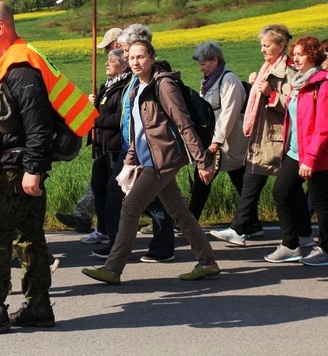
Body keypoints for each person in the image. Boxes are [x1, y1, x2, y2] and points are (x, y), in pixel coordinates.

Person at [0, 1, 97, 336]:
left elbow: (38, 125)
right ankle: (38, 307)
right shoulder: (2, 63)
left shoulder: (20, 69)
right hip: (15, 167)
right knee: (28, 238)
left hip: (15, 171)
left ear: (0, 28)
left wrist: (34, 168)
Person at [82, 40, 220, 285]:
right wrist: (129, 161)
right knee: (180, 212)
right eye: (132, 58)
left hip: (162, 160)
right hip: (147, 159)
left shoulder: (163, 85)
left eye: (141, 57)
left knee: (130, 208)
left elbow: (184, 124)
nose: (136, 62)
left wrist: (201, 162)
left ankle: (113, 269)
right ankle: (207, 261)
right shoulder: (137, 88)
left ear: (152, 57)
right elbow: (139, 129)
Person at [210, 25, 306, 247]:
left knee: (261, 182)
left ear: (281, 46)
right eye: (261, 45)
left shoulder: (288, 71)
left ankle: (239, 228)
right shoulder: (267, 67)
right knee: (273, 184)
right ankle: (303, 232)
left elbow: (294, 105)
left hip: (275, 137)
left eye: (267, 45)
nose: (262, 49)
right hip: (263, 135)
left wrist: (269, 93)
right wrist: (252, 86)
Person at [94, 24, 176, 263]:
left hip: (150, 149)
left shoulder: (156, 78)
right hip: (132, 147)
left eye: (128, 49)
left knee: (155, 199)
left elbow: (176, 118)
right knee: (121, 194)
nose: (125, 55)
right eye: (126, 52)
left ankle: (161, 248)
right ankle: (119, 246)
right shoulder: (134, 79)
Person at [264, 36, 328, 263]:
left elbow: (325, 126)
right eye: (294, 54)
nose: (296, 58)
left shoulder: (324, 84)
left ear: (313, 55)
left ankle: (327, 250)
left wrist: (310, 159)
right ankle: (291, 244)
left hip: (318, 155)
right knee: (282, 193)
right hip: (296, 151)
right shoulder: (301, 82)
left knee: (320, 200)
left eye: (301, 54)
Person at [56, 26, 122, 234]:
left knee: (119, 189)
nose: (104, 56)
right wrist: (91, 104)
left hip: (115, 143)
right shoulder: (110, 82)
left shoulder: (125, 82)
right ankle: (95, 223)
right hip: (103, 142)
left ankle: (167, 221)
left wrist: (96, 119)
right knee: (102, 185)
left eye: (108, 50)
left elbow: (116, 116)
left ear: (118, 45)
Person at [185, 42, 249, 222]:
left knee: (240, 181)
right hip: (214, 141)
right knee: (203, 180)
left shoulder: (229, 80)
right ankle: (191, 221)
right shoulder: (209, 81)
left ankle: (251, 222)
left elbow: (229, 113)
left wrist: (217, 141)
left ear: (215, 60)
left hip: (228, 142)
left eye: (203, 63)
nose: (200, 68)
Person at [76, 48, 130, 246]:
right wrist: (93, 104)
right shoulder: (106, 85)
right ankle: (103, 230)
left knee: (113, 192)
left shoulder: (125, 87)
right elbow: (99, 112)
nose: (106, 64)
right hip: (101, 147)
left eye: (112, 61)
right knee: (99, 189)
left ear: (123, 66)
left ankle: (116, 233)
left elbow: (119, 119)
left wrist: (96, 119)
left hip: (115, 147)